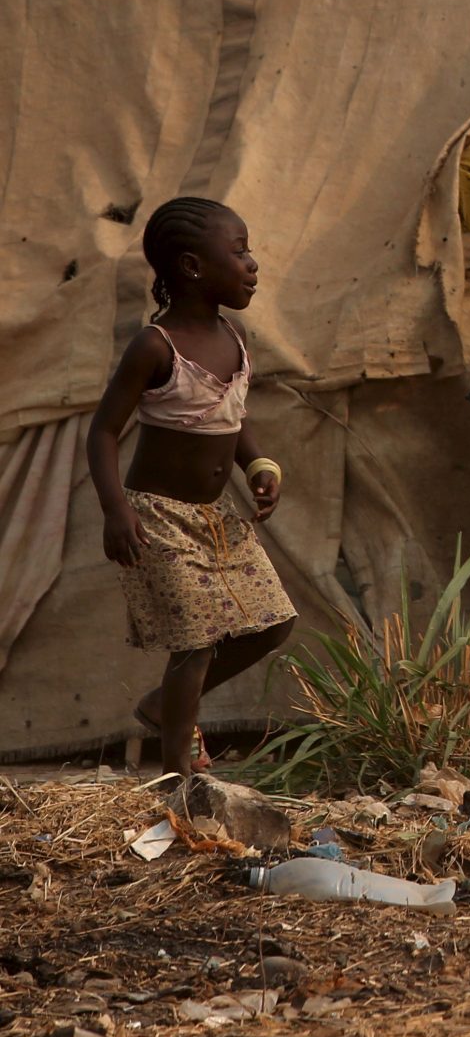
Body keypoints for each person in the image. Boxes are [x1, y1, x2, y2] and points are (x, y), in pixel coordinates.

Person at [86, 197, 297, 779]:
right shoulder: (156, 346)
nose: (252, 263)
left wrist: (259, 466)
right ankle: (181, 770)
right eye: (240, 252)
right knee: (197, 641)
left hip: (214, 516)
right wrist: (115, 510)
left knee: (275, 623)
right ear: (192, 267)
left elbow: (231, 417)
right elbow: (103, 432)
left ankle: (162, 707)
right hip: (158, 518)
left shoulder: (233, 335)